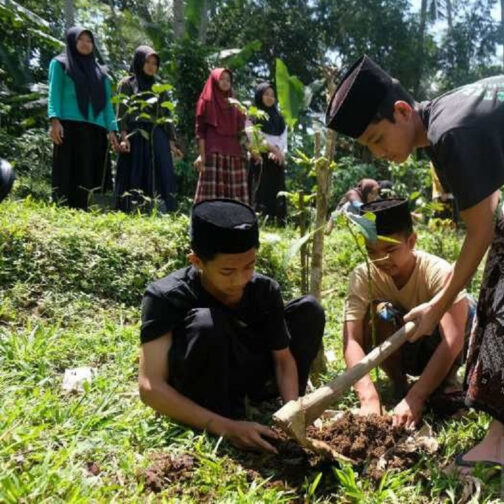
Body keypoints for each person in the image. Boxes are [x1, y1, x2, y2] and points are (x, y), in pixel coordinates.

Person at [326, 55, 504, 470]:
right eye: (370, 148)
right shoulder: (442, 126)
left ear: (401, 112)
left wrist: (436, 306)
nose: (380, 154)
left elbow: (480, 234)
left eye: (378, 139)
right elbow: (489, 230)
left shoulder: (450, 131)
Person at [138, 199, 325, 451]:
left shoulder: (263, 290)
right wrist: (226, 427)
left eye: (249, 266)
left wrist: (292, 409)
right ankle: (221, 411)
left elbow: (282, 358)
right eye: (227, 271)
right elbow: (150, 386)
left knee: (308, 310)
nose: (240, 280)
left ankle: (263, 401)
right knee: (206, 323)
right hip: (203, 381)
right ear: (196, 261)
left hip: (247, 373)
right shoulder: (165, 296)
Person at [343, 198, 473, 428]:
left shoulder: (438, 272)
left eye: (391, 249)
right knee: (379, 313)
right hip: (401, 349)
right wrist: (368, 397)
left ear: (411, 241)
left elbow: (452, 340)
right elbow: (352, 339)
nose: (381, 259)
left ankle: (444, 382)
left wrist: (417, 398)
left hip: (437, 346)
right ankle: (399, 384)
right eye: (371, 252)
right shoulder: (363, 276)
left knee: (467, 308)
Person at [48, 26, 119, 209]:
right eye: (81, 39)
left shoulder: (101, 73)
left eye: (89, 41)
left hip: (96, 128)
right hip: (68, 126)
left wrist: (112, 129)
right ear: (72, 41)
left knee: (90, 171)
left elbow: (107, 104)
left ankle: (88, 209)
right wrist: (54, 121)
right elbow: (53, 94)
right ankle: (63, 208)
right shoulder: (60, 64)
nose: (86, 44)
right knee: (68, 170)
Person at [114, 46, 183, 212]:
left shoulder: (160, 88)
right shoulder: (127, 84)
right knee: (135, 170)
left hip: (157, 135)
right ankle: (133, 209)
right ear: (139, 62)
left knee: (161, 171)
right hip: (135, 134)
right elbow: (122, 113)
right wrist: (124, 137)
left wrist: (172, 144)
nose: (152, 66)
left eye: (155, 63)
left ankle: (162, 210)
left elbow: (167, 117)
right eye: (147, 62)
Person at [194, 68, 248, 204]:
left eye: (228, 80)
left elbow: (243, 131)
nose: (225, 82)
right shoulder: (205, 101)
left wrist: (252, 150)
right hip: (214, 153)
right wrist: (202, 155)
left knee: (235, 199)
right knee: (211, 198)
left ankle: (234, 224)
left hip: (234, 154)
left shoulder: (235, 104)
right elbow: (200, 132)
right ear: (215, 80)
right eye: (222, 79)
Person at [250, 82, 288, 225]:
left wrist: (279, 151)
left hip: (276, 157)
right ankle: (260, 220)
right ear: (259, 96)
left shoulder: (279, 117)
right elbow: (255, 136)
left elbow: (284, 136)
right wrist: (273, 150)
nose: (269, 98)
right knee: (260, 188)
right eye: (266, 94)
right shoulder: (253, 115)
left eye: (272, 95)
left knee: (277, 189)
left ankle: (278, 221)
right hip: (260, 156)